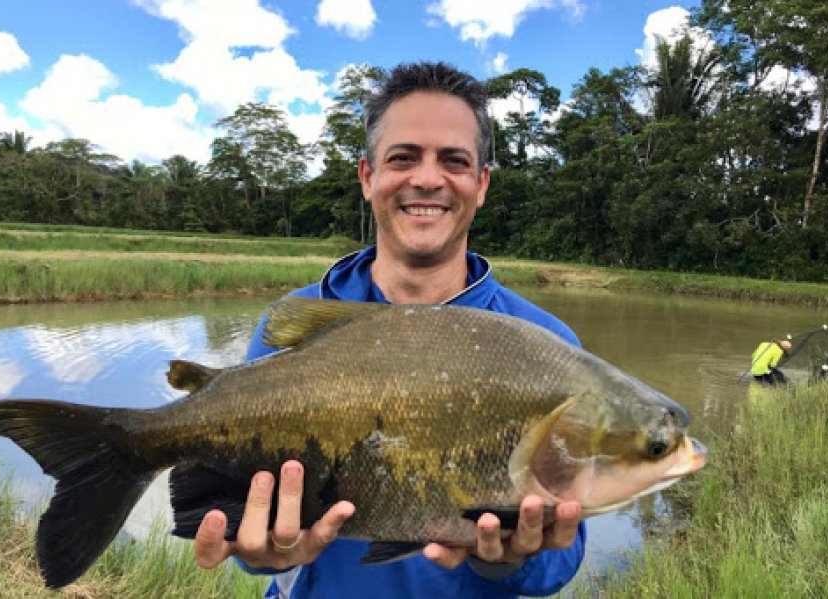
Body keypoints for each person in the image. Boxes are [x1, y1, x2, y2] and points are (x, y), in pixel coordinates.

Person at [192, 61, 586, 598]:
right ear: (367, 176)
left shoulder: (547, 343)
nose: (427, 179)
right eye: (403, 158)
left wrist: (506, 561)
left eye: (454, 160)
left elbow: (560, 561)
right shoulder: (297, 321)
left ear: (482, 183)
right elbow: (254, 534)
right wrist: (259, 553)